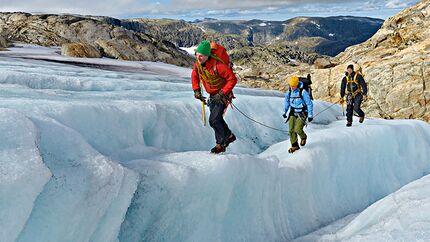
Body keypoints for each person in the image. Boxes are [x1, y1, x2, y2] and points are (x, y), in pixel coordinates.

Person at [191, 40, 238, 154]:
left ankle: (220, 144)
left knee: (214, 119)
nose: (198, 58)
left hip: (223, 95)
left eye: (201, 56)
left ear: (207, 55)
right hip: (213, 95)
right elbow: (195, 76)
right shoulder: (198, 64)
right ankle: (229, 136)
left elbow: (232, 79)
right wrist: (196, 89)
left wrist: (222, 93)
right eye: (197, 55)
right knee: (216, 119)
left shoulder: (219, 65)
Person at [283, 75, 313, 153]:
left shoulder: (303, 92)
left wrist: (310, 115)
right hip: (293, 112)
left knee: (298, 129)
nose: (292, 87)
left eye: (294, 86)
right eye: (291, 86)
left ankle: (303, 137)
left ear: (297, 84)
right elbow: (287, 102)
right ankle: (294, 145)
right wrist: (285, 112)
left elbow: (309, 103)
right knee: (291, 130)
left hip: (302, 112)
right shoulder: (289, 92)